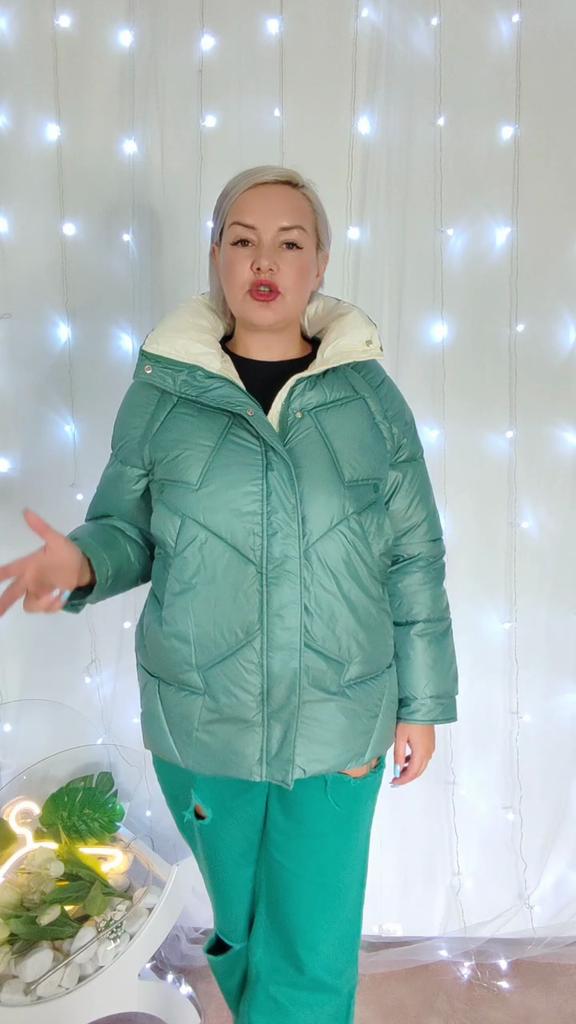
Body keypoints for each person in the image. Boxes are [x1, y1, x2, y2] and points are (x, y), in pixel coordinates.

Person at [0, 165, 459, 1023]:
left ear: (320, 263)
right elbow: (126, 530)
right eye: (243, 239)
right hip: (202, 719)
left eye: (289, 242)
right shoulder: (163, 395)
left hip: (340, 719)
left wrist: (424, 704)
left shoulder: (369, 401)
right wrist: (81, 565)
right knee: (242, 934)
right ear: (217, 255)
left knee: (311, 942)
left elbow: (414, 555)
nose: (265, 260)